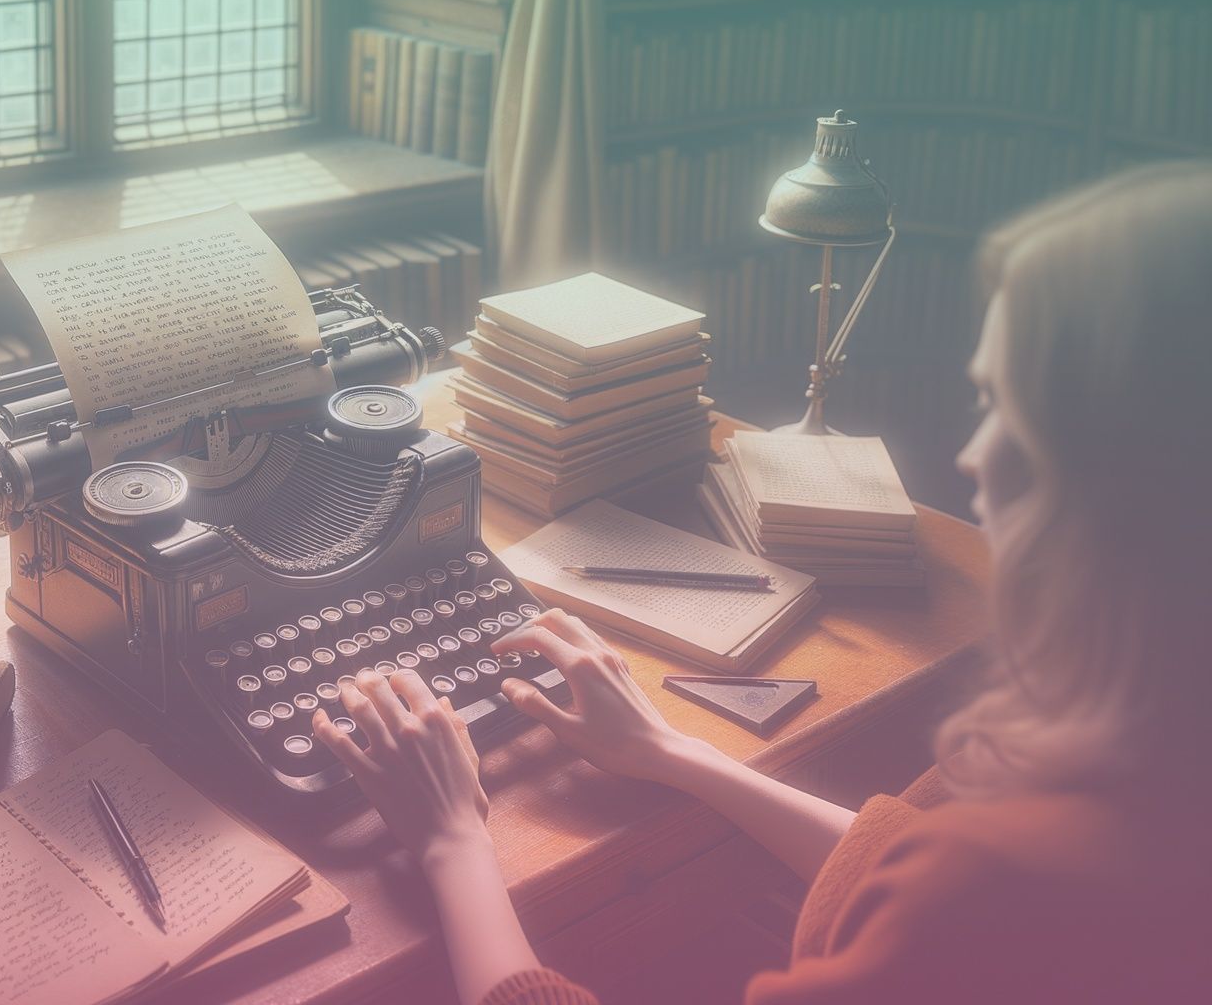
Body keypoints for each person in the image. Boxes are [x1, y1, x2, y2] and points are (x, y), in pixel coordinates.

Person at [311, 162, 1212, 1004]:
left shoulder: (995, 882)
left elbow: (956, 896)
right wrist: (680, 755)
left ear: (1144, 486)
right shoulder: (1153, 760)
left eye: (1011, 413)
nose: (974, 459)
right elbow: (923, 875)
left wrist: (455, 843)